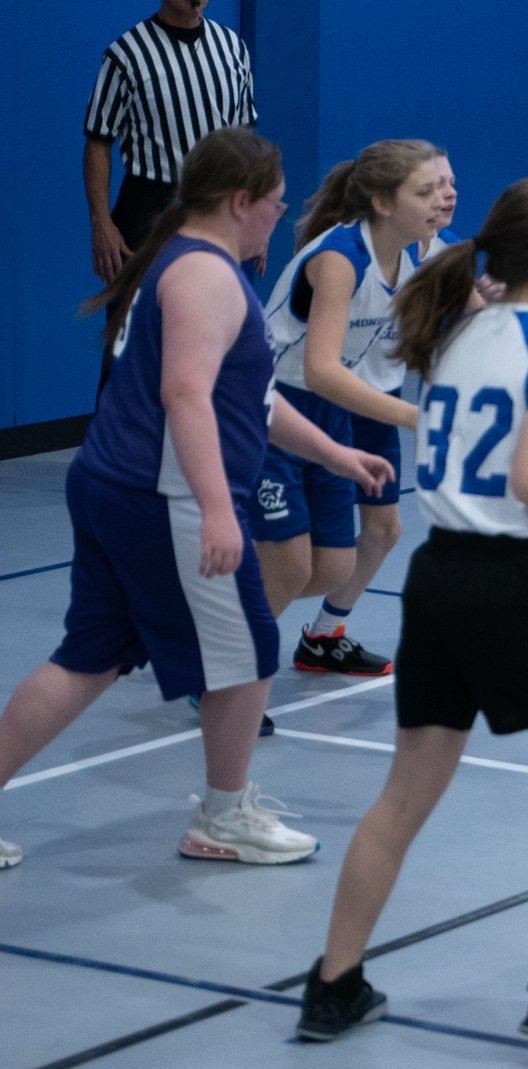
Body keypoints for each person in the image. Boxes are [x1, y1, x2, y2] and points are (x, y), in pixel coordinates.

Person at [296, 178, 528, 1054]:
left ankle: (333, 983)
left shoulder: (456, 335)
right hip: (509, 583)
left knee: (403, 795)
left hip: (435, 577)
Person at [0, 128, 392, 871]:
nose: (281, 216)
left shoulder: (187, 261)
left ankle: (223, 810)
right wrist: (216, 508)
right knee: (249, 650)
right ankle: (223, 816)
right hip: (163, 495)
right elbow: (186, 393)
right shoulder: (206, 276)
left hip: (116, 483)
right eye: (276, 203)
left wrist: (335, 453)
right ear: (241, 201)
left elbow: (253, 397)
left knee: (88, 658)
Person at [249, 141, 445, 679]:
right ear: (383, 203)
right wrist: (418, 419)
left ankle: (239, 611)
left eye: (443, 187)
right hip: (273, 409)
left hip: (331, 413)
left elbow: (474, 308)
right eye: (426, 191)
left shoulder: (421, 250)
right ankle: (220, 669)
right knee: (290, 564)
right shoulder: (340, 258)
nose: (442, 199)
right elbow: (320, 370)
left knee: (333, 566)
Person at [85, 0, 257, 392]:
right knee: (130, 346)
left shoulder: (233, 47)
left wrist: (252, 213)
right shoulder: (126, 53)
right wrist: (101, 223)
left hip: (216, 208)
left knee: (213, 339)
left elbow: (244, 136)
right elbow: (98, 139)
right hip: (148, 209)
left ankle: (197, 429)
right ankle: (116, 432)